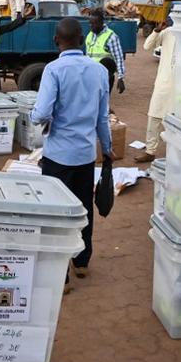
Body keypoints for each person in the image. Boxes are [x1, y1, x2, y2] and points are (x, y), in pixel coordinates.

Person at [31, 18, 112, 291]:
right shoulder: (99, 71)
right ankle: (82, 261)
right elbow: (103, 117)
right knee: (82, 208)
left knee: (55, 213)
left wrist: (38, 116)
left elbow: (41, 113)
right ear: (82, 39)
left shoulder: (53, 70)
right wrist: (108, 149)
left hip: (58, 155)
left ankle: (61, 277)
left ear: (57, 40)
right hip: (85, 154)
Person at [135, 19, 176, 163]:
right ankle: (150, 151)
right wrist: (157, 30)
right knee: (154, 117)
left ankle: (175, 155)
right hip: (163, 84)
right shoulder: (168, 32)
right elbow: (147, 46)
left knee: (175, 123)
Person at [86, 9, 126, 94]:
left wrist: (120, 78)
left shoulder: (111, 37)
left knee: (102, 103)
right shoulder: (90, 35)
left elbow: (118, 58)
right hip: (90, 76)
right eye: (90, 23)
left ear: (101, 23)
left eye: (94, 23)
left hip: (105, 77)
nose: (91, 26)